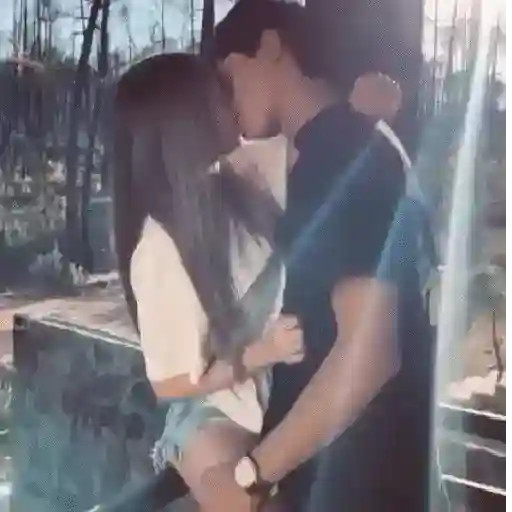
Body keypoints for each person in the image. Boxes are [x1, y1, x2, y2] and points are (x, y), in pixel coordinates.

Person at [206, 1, 437, 510]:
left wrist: (253, 476)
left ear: (270, 46)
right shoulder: (355, 143)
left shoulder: (338, 155)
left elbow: (369, 351)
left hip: (356, 485)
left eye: (228, 78)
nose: (225, 103)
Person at [112, 53, 306, 511]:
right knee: (245, 501)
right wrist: (264, 352)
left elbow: (316, 143)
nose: (231, 102)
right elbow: (173, 383)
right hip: (214, 411)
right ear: (187, 121)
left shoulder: (245, 173)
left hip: (269, 393)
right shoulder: (159, 248)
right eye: (219, 95)